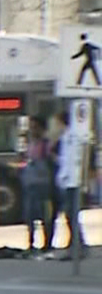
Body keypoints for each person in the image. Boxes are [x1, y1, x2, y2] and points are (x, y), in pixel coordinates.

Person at [53, 109, 89, 260]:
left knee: (71, 215)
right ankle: (77, 245)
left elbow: (68, 161)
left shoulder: (71, 138)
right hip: (68, 181)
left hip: (71, 182)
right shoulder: (66, 137)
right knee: (71, 215)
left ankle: (78, 247)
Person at [21, 115, 56, 254]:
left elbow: (50, 162)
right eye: (31, 127)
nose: (32, 130)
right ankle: (31, 243)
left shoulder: (46, 144)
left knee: (45, 217)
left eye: (34, 127)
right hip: (30, 185)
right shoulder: (30, 144)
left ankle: (47, 244)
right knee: (29, 215)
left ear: (41, 129)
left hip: (44, 185)